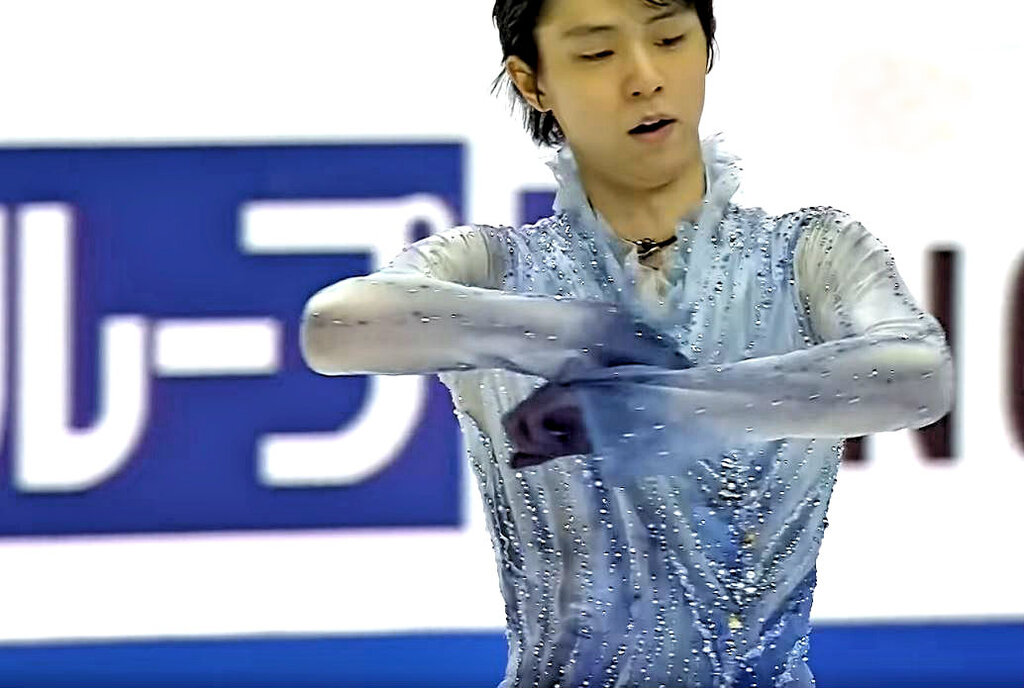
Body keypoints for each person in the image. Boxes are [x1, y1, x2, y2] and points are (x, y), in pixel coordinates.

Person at [299, 0, 955, 685]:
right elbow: (337, 326)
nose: (645, 78)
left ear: (706, 46)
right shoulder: (498, 270)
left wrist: (657, 409)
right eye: (598, 52)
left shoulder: (806, 253)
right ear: (532, 82)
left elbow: (918, 374)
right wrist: (580, 333)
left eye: (669, 39)